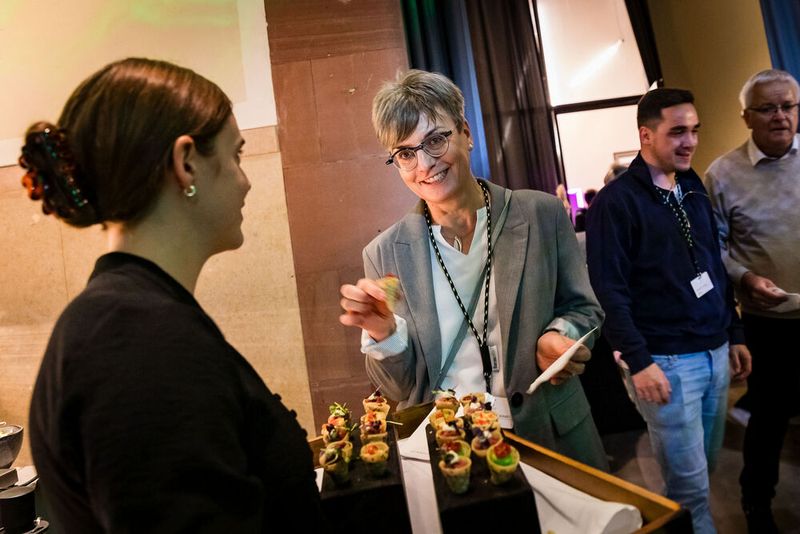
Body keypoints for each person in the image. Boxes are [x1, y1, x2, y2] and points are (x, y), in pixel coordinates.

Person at [22, 58, 323, 532]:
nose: (245, 180)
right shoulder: (138, 341)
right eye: (237, 154)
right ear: (186, 163)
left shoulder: (129, 317)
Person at [338, 69, 607, 470]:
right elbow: (399, 387)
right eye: (406, 153)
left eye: (435, 140)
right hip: (452, 449)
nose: (425, 164)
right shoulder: (385, 254)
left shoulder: (540, 214)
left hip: (549, 433)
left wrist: (558, 336)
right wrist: (384, 334)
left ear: (465, 132)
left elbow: (584, 309)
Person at [585, 88, 751, 534]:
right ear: (645, 135)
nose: (690, 141)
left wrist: (733, 332)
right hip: (667, 364)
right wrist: (639, 361)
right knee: (690, 490)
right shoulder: (615, 203)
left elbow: (712, 264)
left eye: (694, 130)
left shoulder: (692, 185)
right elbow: (610, 291)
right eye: (677, 131)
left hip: (716, 351)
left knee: (705, 467)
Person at [704, 68, 800, 533]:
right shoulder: (722, 174)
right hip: (769, 321)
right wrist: (744, 278)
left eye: (788, 106)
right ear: (746, 116)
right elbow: (711, 248)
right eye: (768, 108)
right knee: (768, 419)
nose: (780, 116)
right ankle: (756, 505)